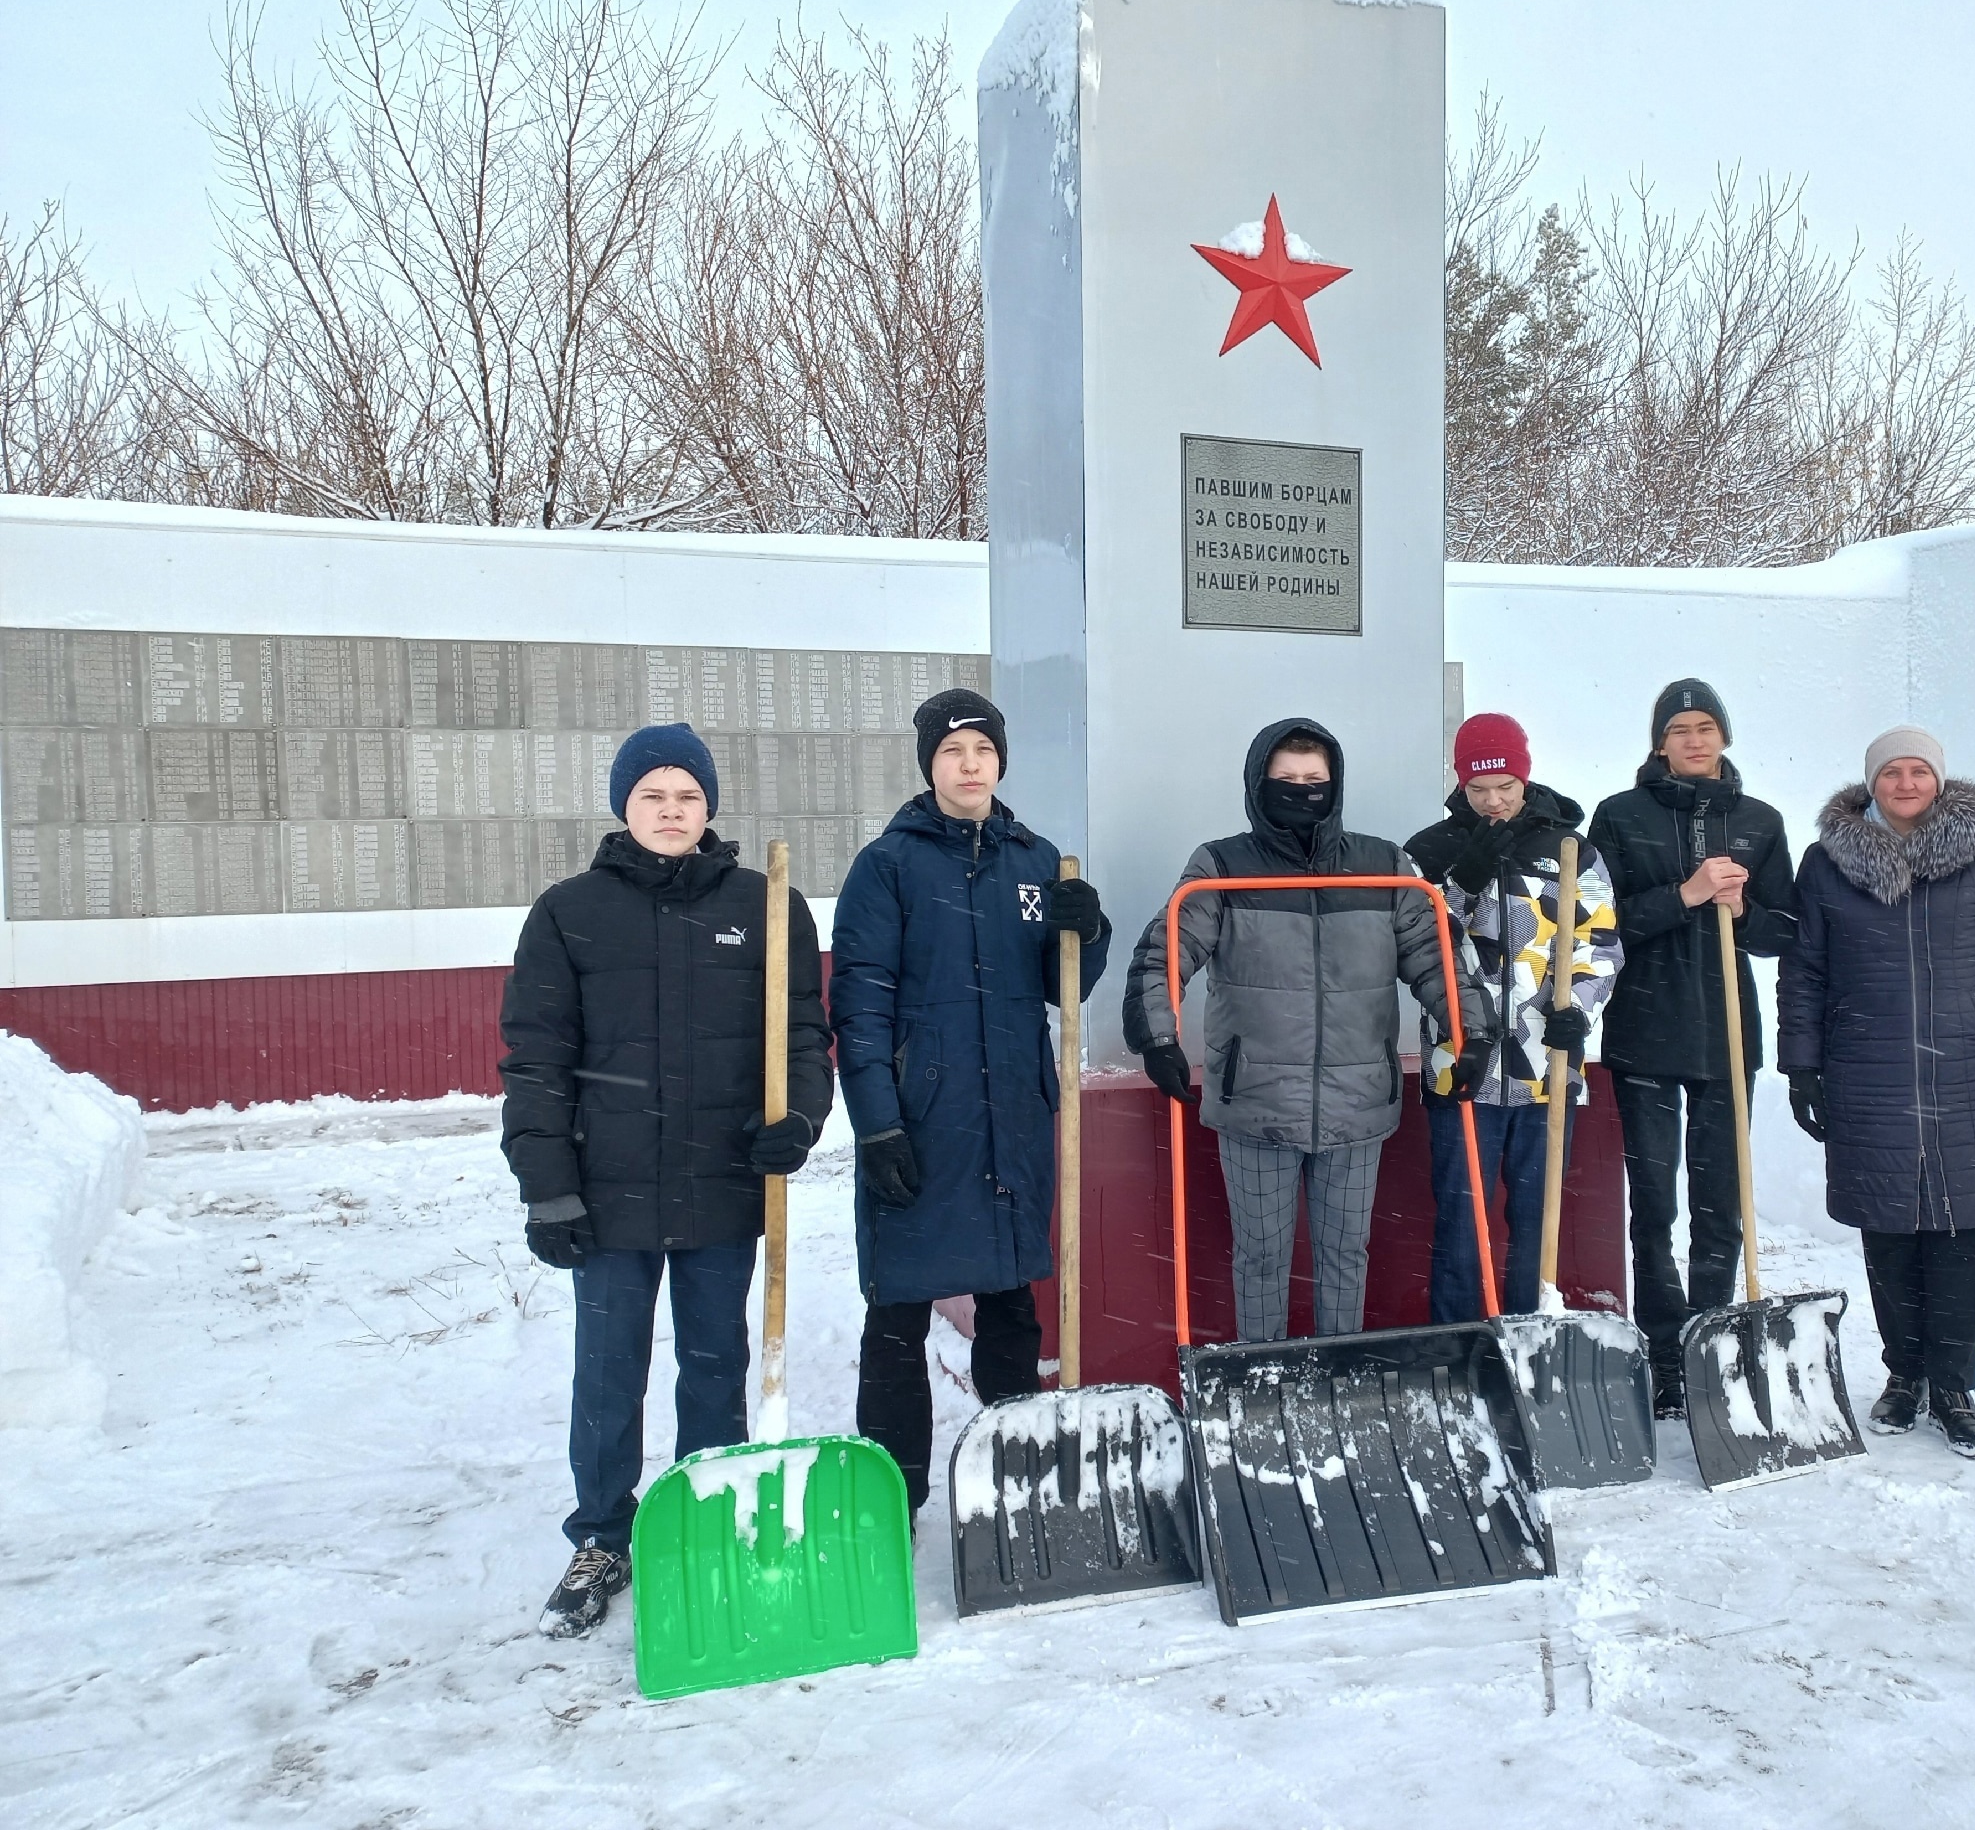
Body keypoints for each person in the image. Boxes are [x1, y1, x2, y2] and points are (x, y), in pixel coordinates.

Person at [499, 722, 832, 1638]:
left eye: (688, 797)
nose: (672, 811)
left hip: (723, 1186)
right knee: (608, 1375)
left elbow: (803, 1035)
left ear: (710, 807)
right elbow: (535, 1060)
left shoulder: (769, 906)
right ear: (624, 806)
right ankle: (603, 1537)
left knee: (715, 1367)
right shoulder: (568, 912)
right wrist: (547, 1185)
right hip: (604, 1194)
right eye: (654, 796)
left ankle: (702, 1518)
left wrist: (799, 1120)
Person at [1122, 717, 1494, 1342]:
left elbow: (1438, 958)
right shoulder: (1223, 865)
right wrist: (1159, 1037)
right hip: (1256, 1105)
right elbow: (1167, 950)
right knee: (1262, 1259)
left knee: (1346, 1261)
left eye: (1313, 781)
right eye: (1286, 780)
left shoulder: (1382, 865)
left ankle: (1336, 1379)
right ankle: (1262, 1378)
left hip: (1358, 1103)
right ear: (1259, 785)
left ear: (1335, 784)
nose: (1301, 791)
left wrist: (1471, 1033)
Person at [831, 687, 1109, 1518]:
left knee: (1010, 1308)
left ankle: (1014, 1479)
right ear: (929, 766)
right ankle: (894, 1496)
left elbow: (1070, 991)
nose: (969, 765)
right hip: (922, 1122)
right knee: (897, 1315)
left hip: (1012, 1122)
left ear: (1000, 761)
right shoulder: (888, 867)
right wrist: (877, 1121)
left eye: (982, 750)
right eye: (953, 752)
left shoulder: (1036, 860)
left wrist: (1084, 932)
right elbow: (861, 1002)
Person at [1776, 726, 1975, 1459]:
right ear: (1872, 784)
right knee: (1890, 1233)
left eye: (1918, 772)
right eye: (1891, 773)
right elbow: (1805, 972)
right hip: (1868, 1072)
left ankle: (1955, 1388)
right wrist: (1802, 1068)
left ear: (1938, 780)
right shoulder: (1828, 863)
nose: (1905, 784)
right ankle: (1904, 1377)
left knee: (1964, 1236)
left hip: (1970, 1073)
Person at [1586, 679, 1798, 1416]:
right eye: (1679, 729)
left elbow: (1784, 934)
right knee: (1652, 1203)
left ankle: (1713, 1338)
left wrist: (1743, 906)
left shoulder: (1761, 822)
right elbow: (1600, 922)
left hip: (1726, 1033)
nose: (1694, 739)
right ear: (1659, 743)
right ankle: (1665, 1347)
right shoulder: (1619, 817)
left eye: (1705, 726)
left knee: (1721, 1203)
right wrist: (1687, 893)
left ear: (1724, 736)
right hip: (1646, 1030)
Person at [1404, 712, 1622, 1319]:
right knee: (1460, 1213)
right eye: (1478, 789)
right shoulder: (1429, 850)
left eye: (1505, 787)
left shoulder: (1568, 850)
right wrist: (1463, 881)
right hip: (1461, 1064)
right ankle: (1457, 1345)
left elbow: (1597, 942)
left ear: (1525, 779)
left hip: (1545, 1063)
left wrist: (1577, 1011)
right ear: (1459, 784)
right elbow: (1418, 942)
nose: (1493, 802)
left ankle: (1528, 1338)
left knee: (1537, 1215)